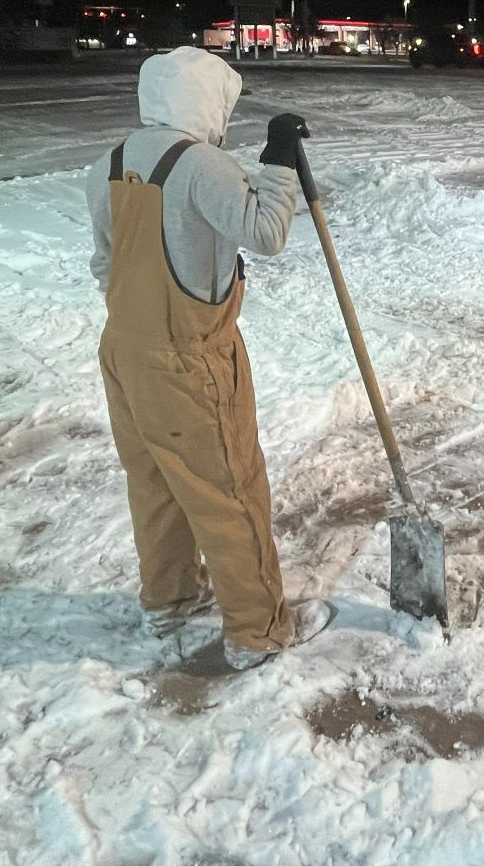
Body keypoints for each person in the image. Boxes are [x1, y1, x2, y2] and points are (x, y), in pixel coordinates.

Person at [86, 46, 331, 669]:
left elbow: (104, 262)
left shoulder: (108, 163)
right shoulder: (202, 164)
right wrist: (277, 160)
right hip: (189, 359)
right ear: (208, 102)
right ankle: (258, 631)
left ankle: (168, 600)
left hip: (124, 352)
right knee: (230, 492)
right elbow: (266, 233)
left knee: (158, 482)